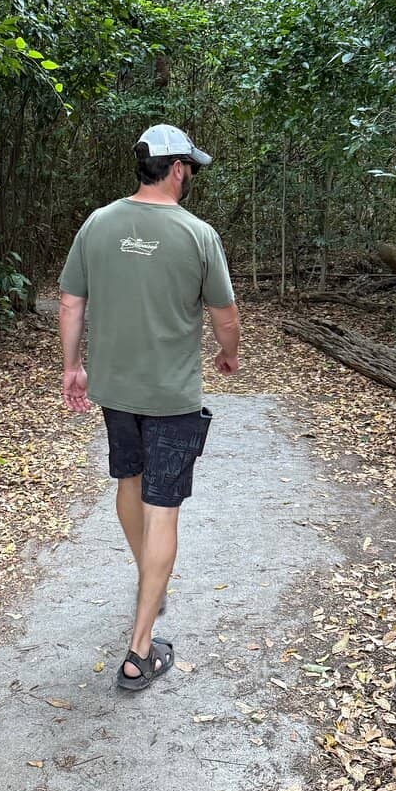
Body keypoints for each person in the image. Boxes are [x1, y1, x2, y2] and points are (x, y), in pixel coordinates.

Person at [58, 124, 241, 692]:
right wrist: (228, 353)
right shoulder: (198, 235)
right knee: (163, 506)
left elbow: (70, 302)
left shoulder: (98, 223)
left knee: (129, 481)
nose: (191, 176)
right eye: (191, 169)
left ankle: (149, 583)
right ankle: (140, 653)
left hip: (116, 389)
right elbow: (225, 315)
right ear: (177, 168)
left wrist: (73, 366)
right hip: (171, 394)